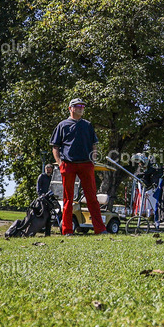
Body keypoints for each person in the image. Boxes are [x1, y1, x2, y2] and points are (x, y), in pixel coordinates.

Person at [51, 98, 106, 235]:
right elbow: (55, 147)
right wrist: (60, 163)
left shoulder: (87, 125)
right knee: (68, 199)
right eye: (77, 106)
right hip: (68, 164)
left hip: (86, 164)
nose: (81, 108)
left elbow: (94, 144)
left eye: (82, 106)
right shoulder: (62, 125)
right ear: (70, 108)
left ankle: (100, 229)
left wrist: (93, 160)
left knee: (92, 198)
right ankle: (67, 230)